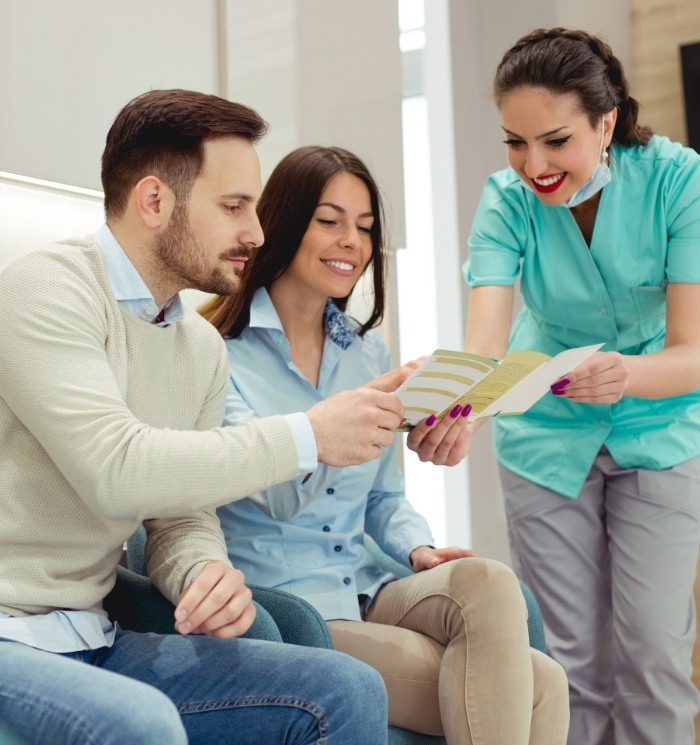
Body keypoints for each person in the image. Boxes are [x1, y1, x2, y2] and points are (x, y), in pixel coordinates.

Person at [0, 89, 409, 745]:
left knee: (346, 687)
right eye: (233, 207)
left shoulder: (196, 348)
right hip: (7, 636)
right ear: (156, 201)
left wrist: (200, 571)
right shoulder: (46, 289)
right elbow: (117, 468)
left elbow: (179, 513)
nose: (256, 231)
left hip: (92, 633)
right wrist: (307, 434)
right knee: (143, 723)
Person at [201, 144, 570, 745]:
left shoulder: (365, 351)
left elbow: (383, 498)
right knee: (542, 687)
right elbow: (276, 497)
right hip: (291, 608)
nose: (352, 240)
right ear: (284, 222)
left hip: (369, 583)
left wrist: (417, 548)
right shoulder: (216, 352)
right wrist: (348, 414)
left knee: (490, 582)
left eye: (366, 227)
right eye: (330, 221)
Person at [462, 27, 700, 745]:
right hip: (543, 434)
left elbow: (694, 349)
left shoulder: (676, 179)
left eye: (555, 140)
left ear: (607, 121)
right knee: (569, 665)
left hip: (660, 424)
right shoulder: (505, 201)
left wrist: (627, 374)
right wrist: (455, 408)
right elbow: (483, 344)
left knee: (655, 657)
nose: (533, 165)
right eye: (515, 141)